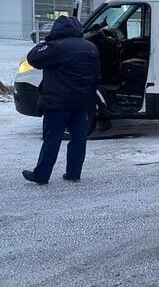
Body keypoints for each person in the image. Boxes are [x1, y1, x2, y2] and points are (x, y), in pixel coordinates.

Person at [22, 16, 100, 185]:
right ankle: (73, 173)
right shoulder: (91, 47)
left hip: (58, 103)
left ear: (57, 30)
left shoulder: (57, 47)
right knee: (78, 139)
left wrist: (48, 41)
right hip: (82, 103)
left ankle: (41, 175)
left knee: (52, 139)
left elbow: (33, 57)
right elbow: (96, 75)